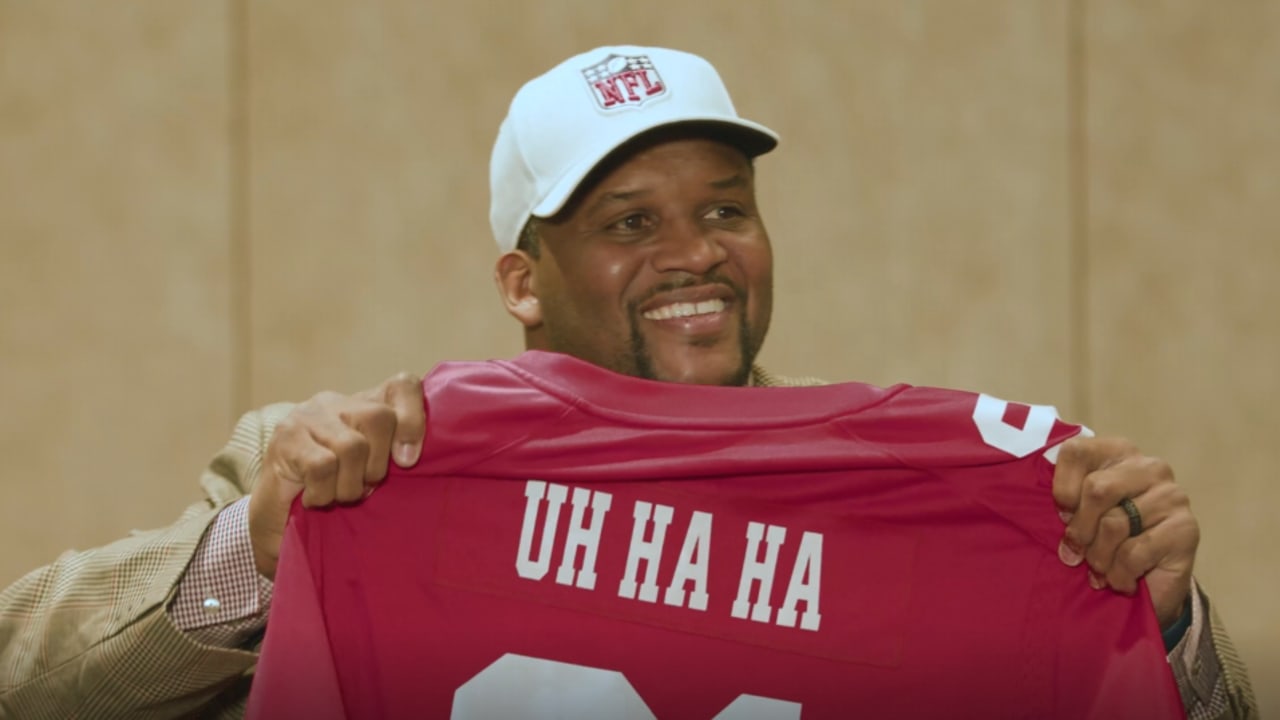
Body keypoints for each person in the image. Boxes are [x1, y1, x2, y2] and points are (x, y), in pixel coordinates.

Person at [0, 45, 1255, 719]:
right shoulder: (360, 465)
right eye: (625, 223)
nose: (693, 254)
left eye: (724, 208)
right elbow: (25, 678)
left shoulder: (924, 489)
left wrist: (1157, 627)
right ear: (522, 279)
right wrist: (260, 550)